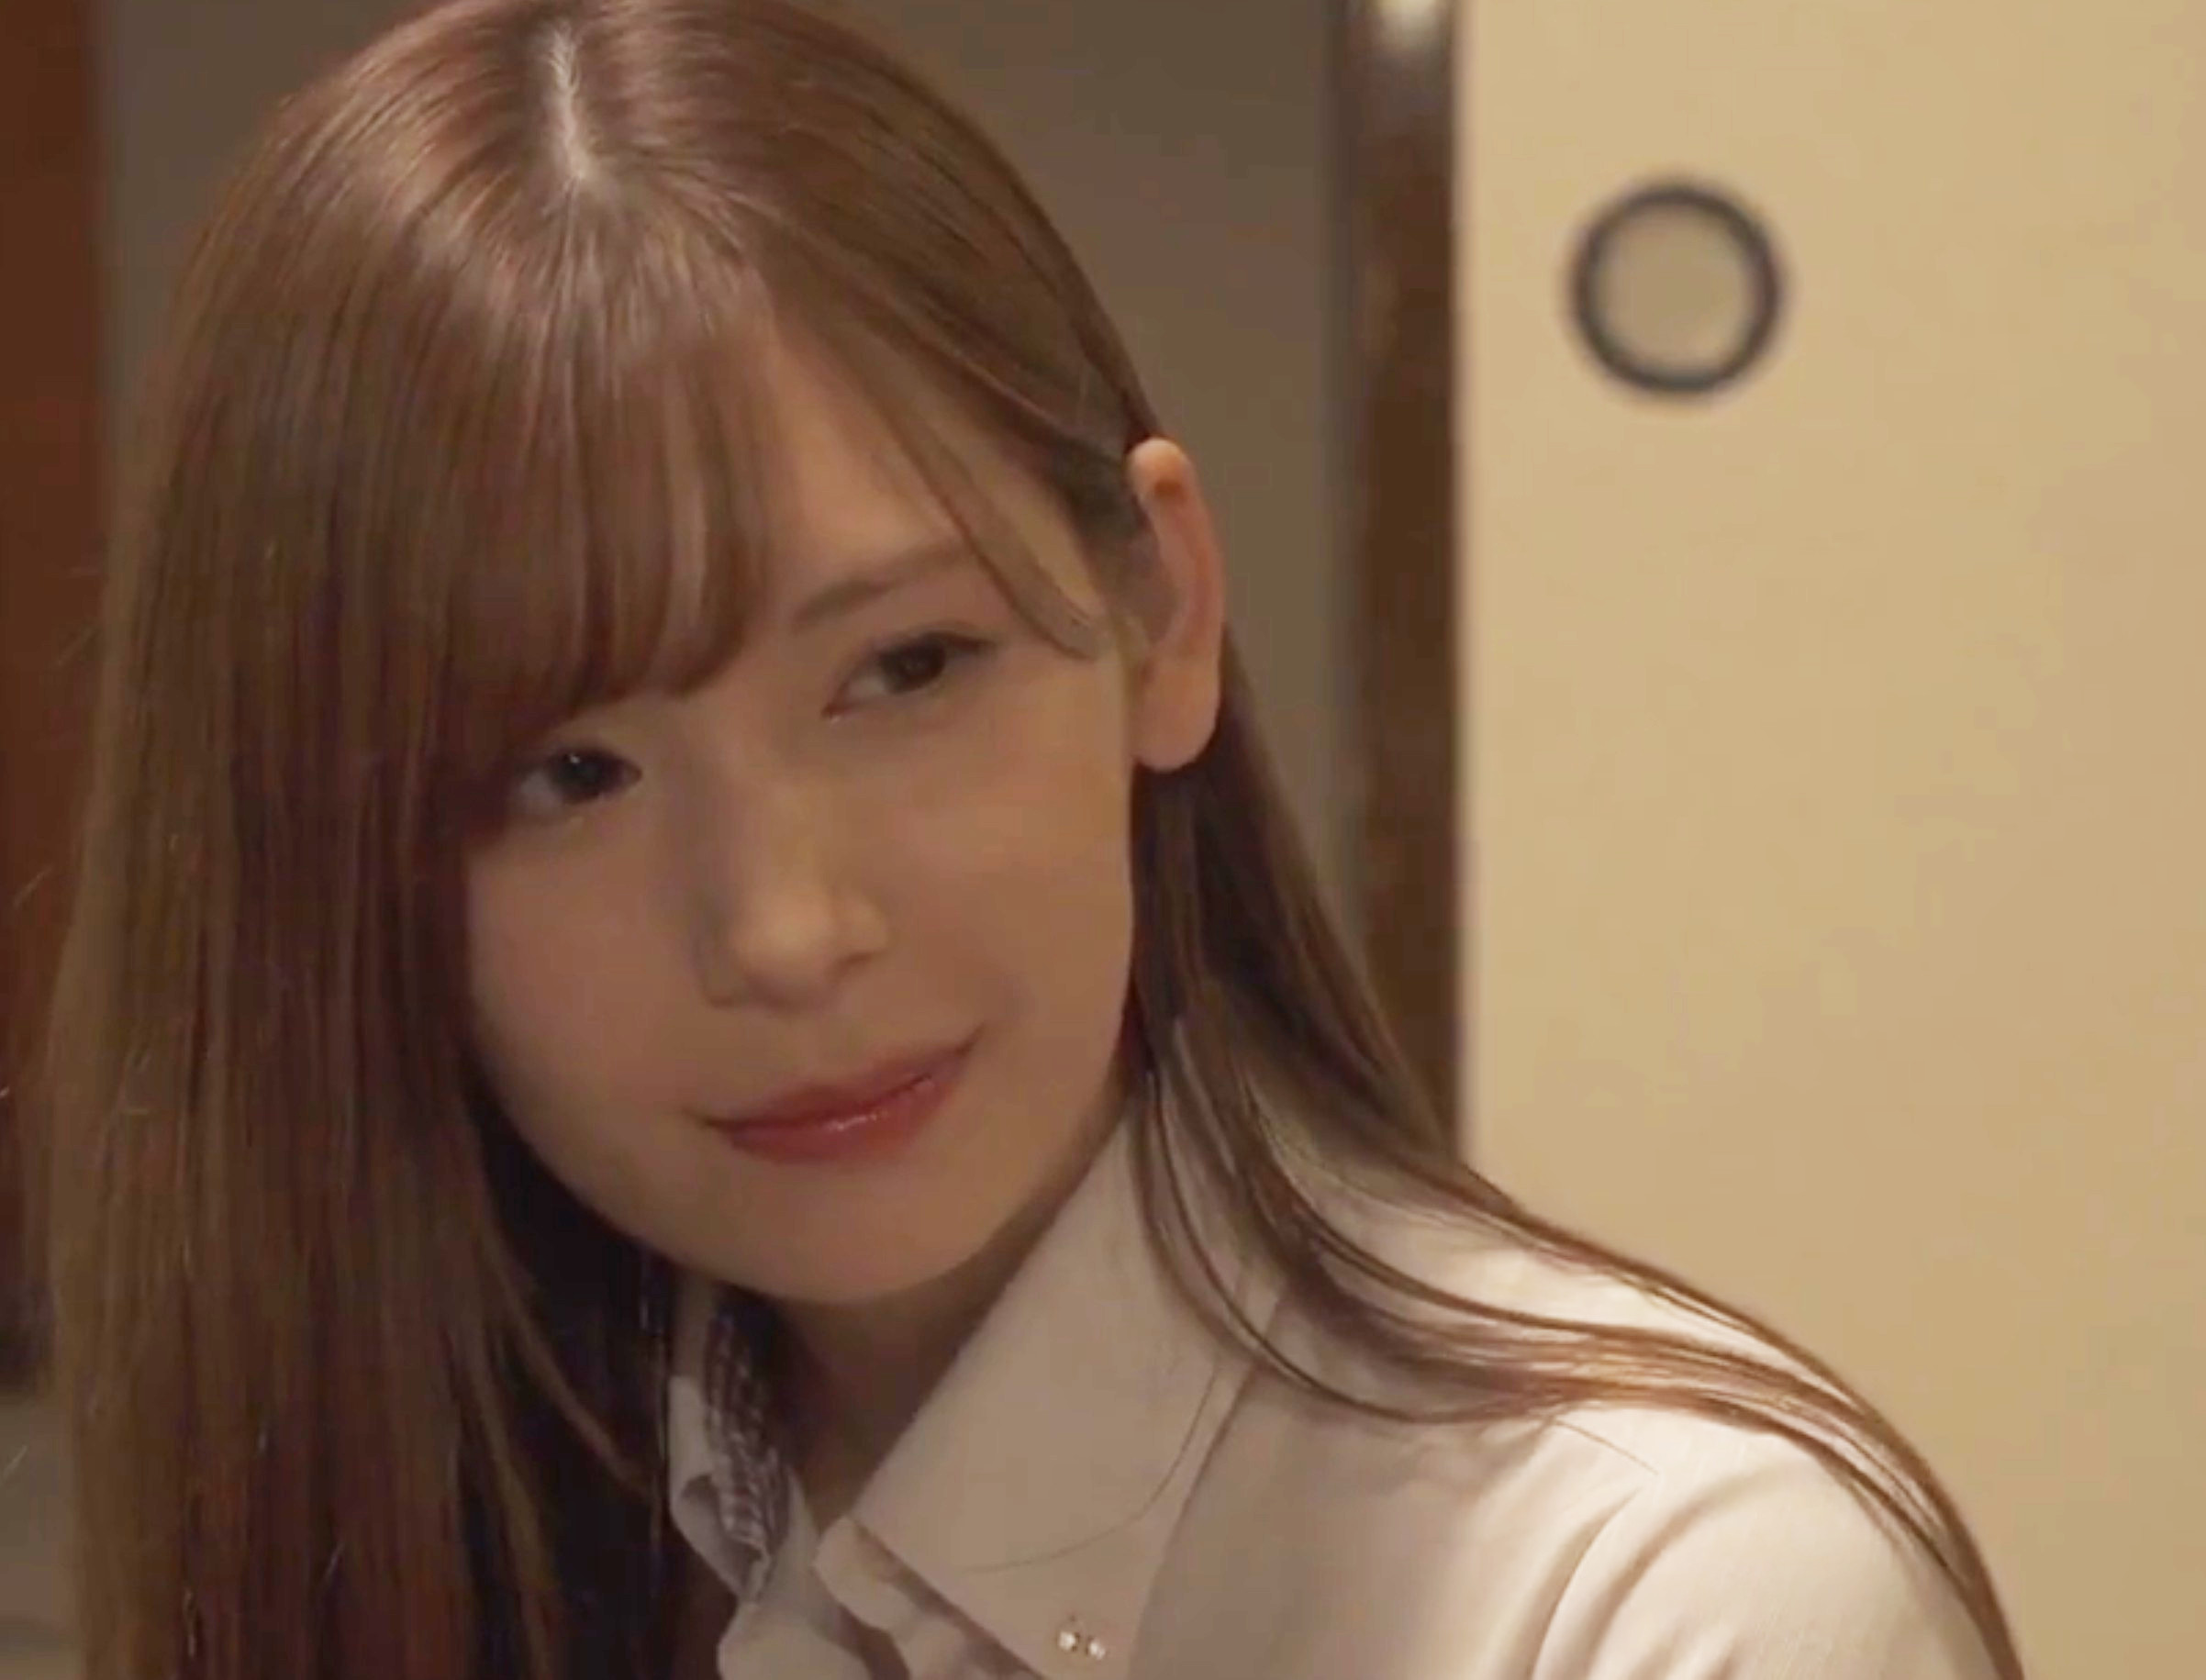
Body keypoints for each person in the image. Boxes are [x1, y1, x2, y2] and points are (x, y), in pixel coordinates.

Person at [39, 2, 2025, 1677]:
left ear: (1162, 612)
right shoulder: (491, 1524)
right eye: (568, 775)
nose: (783, 927)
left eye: (902, 668)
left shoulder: (1650, 1595)